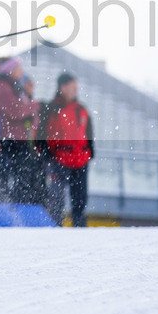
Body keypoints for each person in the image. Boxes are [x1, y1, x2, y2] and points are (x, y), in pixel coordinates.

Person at [37, 72, 95, 226]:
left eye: (76, 87)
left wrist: (90, 152)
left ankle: (79, 229)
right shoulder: (50, 109)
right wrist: (47, 155)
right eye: (72, 86)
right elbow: (41, 134)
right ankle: (55, 228)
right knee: (56, 200)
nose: (75, 90)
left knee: (80, 200)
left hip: (80, 160)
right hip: (58, 160)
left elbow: (88, 132)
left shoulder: (81, 109)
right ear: (62, 87)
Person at [0, 56, 43, 205]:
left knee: (23, 177)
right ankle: (15, 208)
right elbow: (15, 111)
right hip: (11, 140)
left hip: (20, 139)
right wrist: (35, 105)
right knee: (18, 177)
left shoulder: (14, 87)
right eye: (19, 68)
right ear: (11, 71)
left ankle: (20, 206)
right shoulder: (4, 87)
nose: (21, 71)